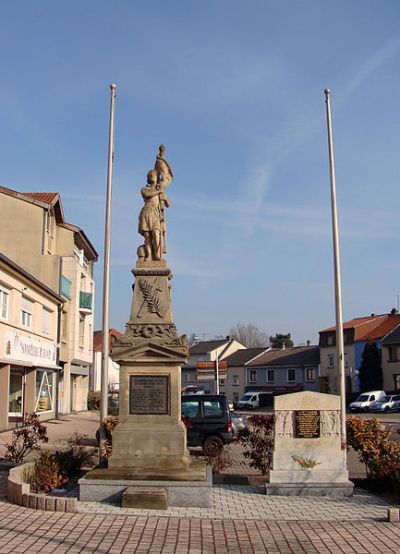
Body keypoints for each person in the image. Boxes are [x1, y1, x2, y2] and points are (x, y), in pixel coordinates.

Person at [138, 169, 170, 261]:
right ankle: (149, 255)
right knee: (147, 235)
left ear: (157, 178)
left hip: (156, 213)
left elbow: (168, 204)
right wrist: (159, 191)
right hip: (146, 212)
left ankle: (157, 255)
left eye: (153, 175)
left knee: (156, 233)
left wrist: (165, 197)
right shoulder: (145, 189)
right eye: (150, 175)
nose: (152, 176)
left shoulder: (160, 190)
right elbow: (147, 195)